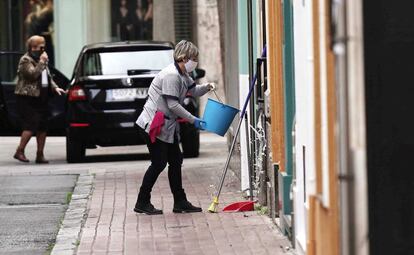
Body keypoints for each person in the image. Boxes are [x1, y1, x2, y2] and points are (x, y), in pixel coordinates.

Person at [134, 40, 215, 215]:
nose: (195, 62)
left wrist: (207, 87)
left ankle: (180, 201)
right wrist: (194, 119)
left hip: (166, 126)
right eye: (193, 58)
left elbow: (193, 90)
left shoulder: (184, 75)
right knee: (159, 163)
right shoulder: (171, 75)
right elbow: (173, 105)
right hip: (153, 125)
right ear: (183, 58)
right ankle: (142, 201)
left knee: (176, 160)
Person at [13, 35, 66, 163]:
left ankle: (40, 154)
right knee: (31, 124)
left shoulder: (42, 59)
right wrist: (42, 62)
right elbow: (32, 75)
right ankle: (19, 151)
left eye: (44, 45)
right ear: (33, 47)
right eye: (40, 46)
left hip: (42, 97)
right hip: (28, 98)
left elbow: (47, 77)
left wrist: (55, 87)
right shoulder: (25, 60)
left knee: (43, 126)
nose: (43, 48)